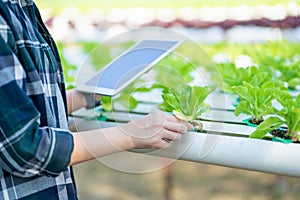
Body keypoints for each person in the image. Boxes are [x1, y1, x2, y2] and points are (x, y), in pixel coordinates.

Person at [0, 0, 193, 199]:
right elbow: (27, 148)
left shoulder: (21, 6)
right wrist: (132, 134)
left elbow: (17, 112)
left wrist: (86, 96)